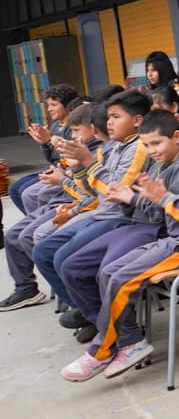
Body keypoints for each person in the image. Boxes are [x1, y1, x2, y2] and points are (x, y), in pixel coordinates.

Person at [60, 111, 179, 382]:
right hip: (176, 242)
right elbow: (178, 207)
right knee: (111, 270)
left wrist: (164, 198)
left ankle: (102, 350)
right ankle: (130, 341)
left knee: (122, 279)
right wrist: (153, 196)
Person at [57, 110, 179, 340]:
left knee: (107, 272)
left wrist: (132, 199)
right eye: (148, 146)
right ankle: (104, 324)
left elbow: (166, 213)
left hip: (158, 232)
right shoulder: (158, 165)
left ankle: (125, 335)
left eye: (157, 143)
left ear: (178, 137)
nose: (153, 151)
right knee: (71, 266)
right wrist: (124, 198)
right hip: (134, 224)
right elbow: (138, 202)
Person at [32, 89, 151, 338]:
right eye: (108, 117)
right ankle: (89, 314)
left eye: (116, 117)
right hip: (103, 213)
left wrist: (86, 163)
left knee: (67, 259)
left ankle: (107, 325)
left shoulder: (138, 147)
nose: (108, 123)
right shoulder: (117, 146)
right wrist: (77, 168)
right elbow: (94, 190)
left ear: (137, 120)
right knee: (44, 250)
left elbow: (115, 191)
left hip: (120, 217)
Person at [0, 103, 101, 312]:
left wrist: (64, 181)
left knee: (34, 236)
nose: (72, 136)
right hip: (66, 200)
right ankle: (27, 289)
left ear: (94, 128)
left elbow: (94, 194)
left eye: (76, 130)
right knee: (13, 235)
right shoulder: (74, 143)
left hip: (81, 205)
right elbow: (60, 167)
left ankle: (77, 303)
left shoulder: (96, 152)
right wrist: (47, 146)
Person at [8, 83, 80, 217]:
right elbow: (51, 158)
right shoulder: (55, 126)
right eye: (48, 105)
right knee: (14, 188)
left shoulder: (73, 128)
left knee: (28, 192)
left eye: (54, 105)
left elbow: (66, 159)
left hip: (67, 171)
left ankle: (39, 219)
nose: (49, 109)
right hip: (55, 166)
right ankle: (31, 218)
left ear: (67, 106)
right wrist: (44, 144)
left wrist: (48, 141)